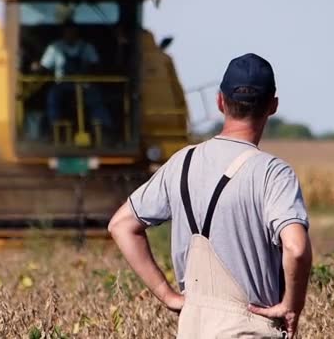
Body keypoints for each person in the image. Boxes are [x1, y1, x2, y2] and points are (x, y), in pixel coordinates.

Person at [108, 53, 313, 338]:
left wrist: (166, 295)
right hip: (249, 328)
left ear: (220, 101)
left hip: (192, 327)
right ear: (273, 106)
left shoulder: (183, 162)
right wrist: (292, 305)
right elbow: (296, 248)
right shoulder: (273, 173)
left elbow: (120, 225)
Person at [32, 22, 112, 138]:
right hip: (62, 85)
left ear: (77, 33)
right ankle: (53, 128)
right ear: (63, 33)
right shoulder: (55, 47)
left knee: (95, 96)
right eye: (68, 32)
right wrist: (36, 67)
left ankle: (103, 127)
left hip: (84, 84)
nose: (70, 34)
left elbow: (96, 65)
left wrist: (89, 69)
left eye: (73, 31)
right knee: (52, 95)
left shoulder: (86, 47)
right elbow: (44, 66)